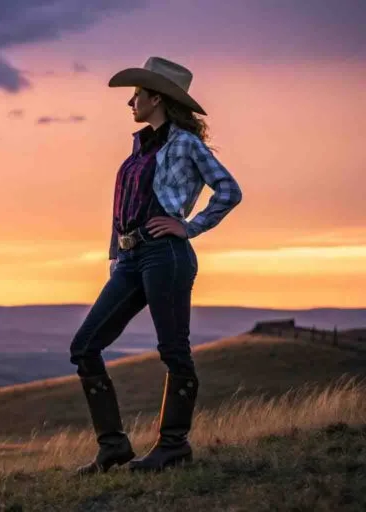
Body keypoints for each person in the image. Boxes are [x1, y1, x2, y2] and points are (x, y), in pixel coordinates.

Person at [69, 56, 242, 474]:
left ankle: (173, 446)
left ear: (157, 98)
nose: (131, 103)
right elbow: (121, 209)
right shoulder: (140, 147)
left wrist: (190, 227)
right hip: (131, 258)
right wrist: (117, 258)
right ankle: (113, 446)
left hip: (166, 255)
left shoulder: (184, 143)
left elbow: (229, 190)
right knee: (85, 347)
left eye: (137, 95)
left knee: (173, 349)